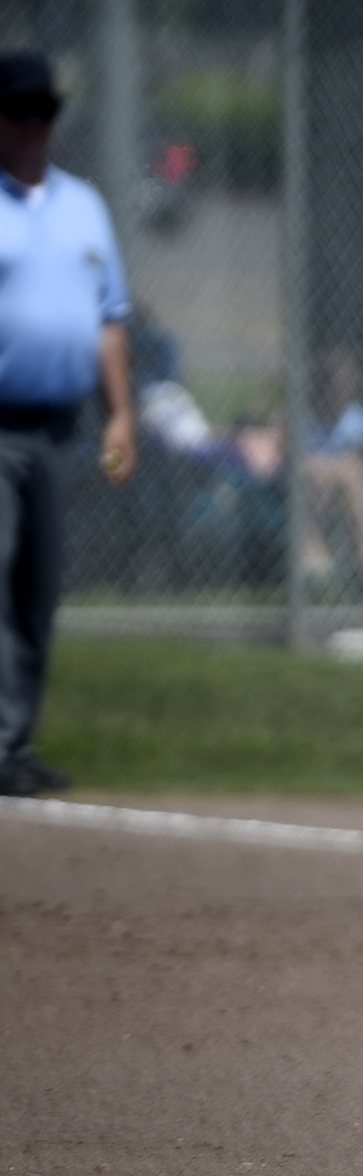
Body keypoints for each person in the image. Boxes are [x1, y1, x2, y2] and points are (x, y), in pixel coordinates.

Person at [0, 50, 136, 797]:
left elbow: (110, 322)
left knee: (37, 589)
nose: (30, 127)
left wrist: (120, 417)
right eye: (16, 112)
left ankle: (12, 744)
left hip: (59, 426)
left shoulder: (85, 206)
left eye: (42, 112)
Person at [299, 345, 363, 585]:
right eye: (337, 390)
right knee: (319, 469)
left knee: (352, 469)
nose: (343, 397)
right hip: (310, 484)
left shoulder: (353, 416)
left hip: (344, 485)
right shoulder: (304, 417)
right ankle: (311, 545)